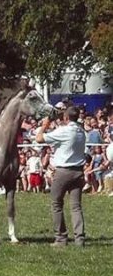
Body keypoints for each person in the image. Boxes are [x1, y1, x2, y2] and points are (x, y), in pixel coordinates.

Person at [36, 106, 86, 247]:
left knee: (57, 204)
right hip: (78, 171)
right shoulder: (81, 132)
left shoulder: (63, 131)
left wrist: (45, 125)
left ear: (65, 118)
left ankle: (61, 238)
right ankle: (79, 239)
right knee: (76, 206)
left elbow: (39, 138)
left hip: (63, 171)